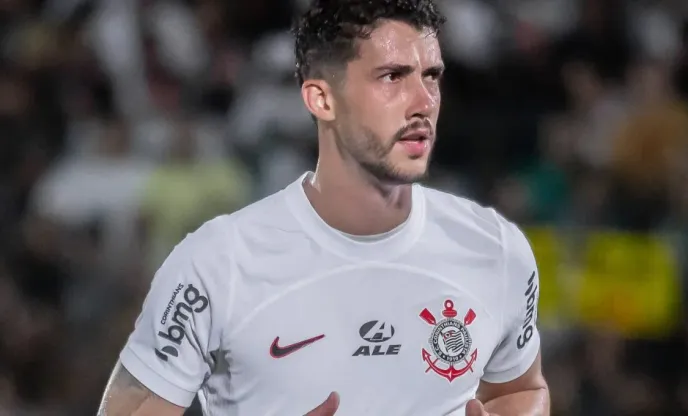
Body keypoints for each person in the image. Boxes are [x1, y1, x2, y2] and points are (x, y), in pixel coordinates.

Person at [97, 1, 549, 415]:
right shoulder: (218, 263)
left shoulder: (495, 248)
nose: (424, 102)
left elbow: (521, 390)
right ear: (321, 99)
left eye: (431, 75)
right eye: (393, 76)